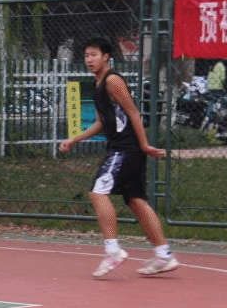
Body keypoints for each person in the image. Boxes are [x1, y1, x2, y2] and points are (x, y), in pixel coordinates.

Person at [58, 37, 178, 277]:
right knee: (136, 201)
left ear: (106, 57)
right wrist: (75, 139)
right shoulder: (96, 84)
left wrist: (144, 145)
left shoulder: (112, 81)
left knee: (97, 192)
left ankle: (113, 250)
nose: (89, 60)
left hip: (125, 148)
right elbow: (101, 122)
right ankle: (164, 255)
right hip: (123, 147)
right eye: (86, 56)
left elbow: (133, 112)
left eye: (94, 55)